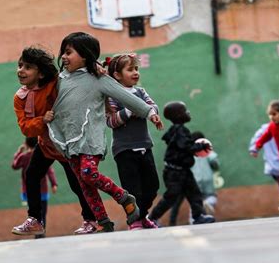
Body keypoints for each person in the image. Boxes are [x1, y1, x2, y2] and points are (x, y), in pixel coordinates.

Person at [47, 32, 164, 229]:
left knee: (88, 172)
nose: (64, 57)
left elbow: (127, 98)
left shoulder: (98, 78)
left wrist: (149, 113)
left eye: (68, 52)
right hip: (69, 139)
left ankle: (123, 197)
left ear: (84, 55)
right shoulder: (60, 79)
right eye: (63, 53)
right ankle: (103, 221)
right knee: (85, 185)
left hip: (91, 138)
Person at [11, 46, 101, 237]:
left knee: (78, 184)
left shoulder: (57, 83)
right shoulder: (20, 97)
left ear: (41, 73)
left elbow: (79, 78)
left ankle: (92, 220)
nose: (21, 70)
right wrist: (42, 120)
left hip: (67, 146)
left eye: (27, 67)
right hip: (46, 146)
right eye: (20, 65)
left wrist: (98, 68)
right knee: (32, 175)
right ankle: (35, 220)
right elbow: (26, 127)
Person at [105, 53, 163, 230]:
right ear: (117, 75)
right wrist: (132, 110)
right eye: (130, 69)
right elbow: (111, 121)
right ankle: (134, 220)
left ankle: (142, 215)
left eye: (136, 68)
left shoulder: (140, 91)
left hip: (145, 146)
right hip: (124, 150)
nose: (135, 72)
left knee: (152, 186)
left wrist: (151, 114)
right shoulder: (113, 96)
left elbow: (153, 107)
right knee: (132, 190)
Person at [148, 101, 216, 225]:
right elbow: (186, 146)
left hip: (183, 170)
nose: (188, 112)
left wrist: (196, 148)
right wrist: (201, 145)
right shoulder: (180, 130)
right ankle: (152, 218)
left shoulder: (179, 130)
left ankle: (198, 216)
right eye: (185, 111)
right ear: (179, 115)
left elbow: (185, 147)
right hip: (174, 172)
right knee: (171, 196)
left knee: (194, 193)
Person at [169, 131, 220, 226]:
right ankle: (204, 211)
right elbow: (215, 163)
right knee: (208, 198)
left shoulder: (189, 152)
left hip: (190, 181)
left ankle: (176, 222)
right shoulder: (207, 152)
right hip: (207, 182)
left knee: (180, 202)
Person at [12, 137, 58, 238]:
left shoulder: (24, 157)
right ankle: (41, 233)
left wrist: (18, 152)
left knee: (34, 210)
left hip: (30, 191)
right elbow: (50, 170)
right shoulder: (43, 156)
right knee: (43, 212)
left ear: (26, 144)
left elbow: (14, 165)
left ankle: (37, 230)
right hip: (43, 190)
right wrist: (54, 184)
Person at [249, 123, 279, 214]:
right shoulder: (265, 129)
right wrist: (254, 149)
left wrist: (253, 149)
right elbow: (257, 138)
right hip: (276, 162)